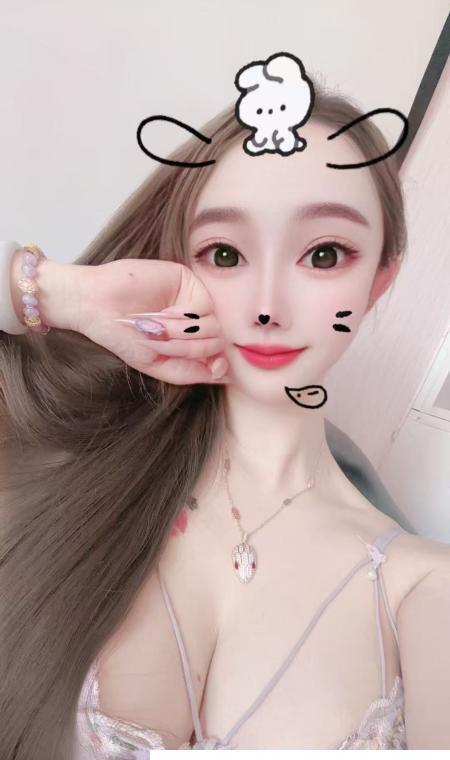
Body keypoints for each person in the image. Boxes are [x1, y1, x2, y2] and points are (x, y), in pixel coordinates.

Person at [0, 81, 448, 758]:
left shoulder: (421, 585)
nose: (267, 306)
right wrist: (60, 293)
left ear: (380, 280)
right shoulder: (61, 435)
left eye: (324, 254)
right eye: (226, 254)